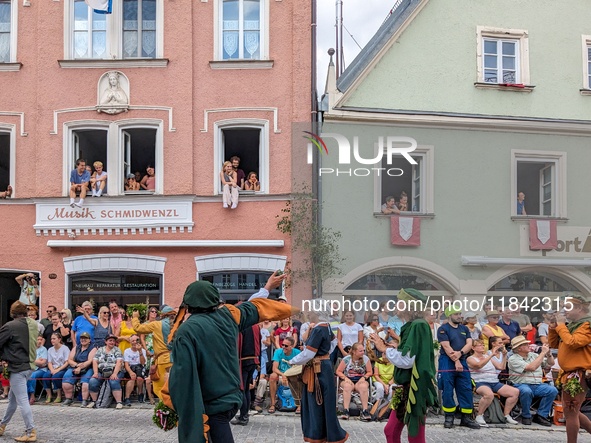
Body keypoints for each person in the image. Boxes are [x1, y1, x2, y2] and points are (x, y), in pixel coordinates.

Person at [165, 271, 292, 443]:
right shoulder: (229, 316)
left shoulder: (187, 330)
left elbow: (183, 378)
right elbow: (254, 307)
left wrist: (175, 402)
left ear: (188, 304)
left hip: (211, 402)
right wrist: (268, 287)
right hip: (231, 397)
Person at [370, 288, 438, 443]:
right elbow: (411, 352)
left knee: (415, 435)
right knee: (390, 430)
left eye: (399, 302)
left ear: (409, 306)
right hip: (404, 388)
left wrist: (383, 348)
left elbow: (408, 361)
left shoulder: (418, 325)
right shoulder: (411, 325)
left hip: (414, 389)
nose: (395, 305)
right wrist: (394, 348)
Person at [286, 309, 349, 442]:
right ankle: (327, 434)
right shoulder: (326, 326)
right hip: (325, 366)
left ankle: (317, 435)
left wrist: (292, 361)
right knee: (325, 402)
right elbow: (333, 344)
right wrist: (325, 354)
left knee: (316, 402)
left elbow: (308, 353)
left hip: (318, 369)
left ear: (318, 312)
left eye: (311, 310)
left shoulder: (319, 329)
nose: (308, 313)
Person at [548, 294, 591, 442]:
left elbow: (573, 342)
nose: (564, 312)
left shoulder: (587, 325)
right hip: (568, 373)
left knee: (571, 412)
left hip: (578, 374)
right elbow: (554, 344)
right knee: (572, 411)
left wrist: (560, 326)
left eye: (567, 308)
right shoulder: (572, 326)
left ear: (579, 308)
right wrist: (554, 326)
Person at [0, 301, 38, 442]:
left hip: (17, 367)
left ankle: (31, 432)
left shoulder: (9, 326)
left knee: (22, 401)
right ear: (26, 313)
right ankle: (2, 425)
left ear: (12, 314)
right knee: (13, 400)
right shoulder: (33, 324)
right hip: (29, 366)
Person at [437, 306, 479, 429]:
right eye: (456, 314)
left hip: (462, 359)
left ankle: (466, 417)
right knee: (448, 389)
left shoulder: (464, 328)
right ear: (449, 315)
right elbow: (446, 346)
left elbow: (469, 344)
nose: (459, 316)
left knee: (466, 388)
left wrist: (460, 354)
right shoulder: (443, 329)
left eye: (460, 313)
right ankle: (449, 416)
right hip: (447, 361)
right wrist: (456, 360)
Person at [467, 339, 519, 426]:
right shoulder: (470, 358)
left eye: (483, 345)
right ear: (473, 348)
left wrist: (504, 355)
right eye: (479, 345)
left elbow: (501, 367)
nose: (482, 346)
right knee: (489, 394)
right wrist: (491, 356)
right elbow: (478, 365)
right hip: (480, 382)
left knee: (514, 392)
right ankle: (479, 415)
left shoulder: (487, 357)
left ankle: (506, 415)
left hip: (494, 381)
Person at [508, 336, 557, 426]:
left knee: (552, 390)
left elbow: (551, 363)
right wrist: (542, 353)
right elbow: (531, 367)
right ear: (519, 348)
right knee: (526, 391)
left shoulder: (534, 355)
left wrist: (549, 353)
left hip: (537, 384)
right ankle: (526, 415)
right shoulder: (513, 359)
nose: (529, 345)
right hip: (520, 384)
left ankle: (541, 416)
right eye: (526, 344)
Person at [131, 305, 177, 399]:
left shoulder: (157, 324)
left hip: (163, 360)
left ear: (162, 315)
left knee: (158, 388)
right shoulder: (179, 325)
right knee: (173, 386)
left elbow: (138, 328)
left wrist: (135, 318)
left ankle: (169, 407)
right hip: (177, 359)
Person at [231, 321, 262, 425]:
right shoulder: (255, 326)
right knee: (247, 389)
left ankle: (243, 416)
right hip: (253, 360)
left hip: (243, 361)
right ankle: (244, 414)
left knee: (243, 389)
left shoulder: (242, 326)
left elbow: (238, 344)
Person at [335, 342, 373, 420]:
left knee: (363, 386)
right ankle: (346, 410)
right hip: (348, 379)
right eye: (360, 351)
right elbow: (338, 371)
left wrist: (364, 377)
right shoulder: (347, 359)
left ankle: (365, 410)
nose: (363, 352)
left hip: (360, 379)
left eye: (363, 350)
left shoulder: (366, 359)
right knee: (347, 386)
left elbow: (370, 372)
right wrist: (345, 378)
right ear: (354, 352)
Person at [88, 334, 125, 409]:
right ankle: (94, 401)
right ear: (105, 341)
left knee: (114, 381)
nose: (112, 342)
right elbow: (95, 361)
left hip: (115, 371)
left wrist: (115, 373)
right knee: (93, 381)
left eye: (113, 341)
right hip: (102, 371)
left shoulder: (117, 350)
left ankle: (119, 402)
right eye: (110, 340)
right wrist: (95, 373)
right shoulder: (100, 350)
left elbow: (119, 362)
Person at [61, 332, 96, 407]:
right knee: (66, 379)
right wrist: (76, 365)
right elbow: (69, 359)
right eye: (82, 338)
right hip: (75, 366)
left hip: (87, 367)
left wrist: (80, 367)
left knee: (85, 382)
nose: (83, 340)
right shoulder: (76, 348)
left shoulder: (93, 348)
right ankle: (68, 398)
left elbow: (90, 361)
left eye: (85, 338)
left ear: (89, 340)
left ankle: (85, 400)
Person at [268, 336, 301, 414]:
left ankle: (299, 404)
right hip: (281, 374)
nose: (283, 347)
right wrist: (283, 375)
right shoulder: (278, 352)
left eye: (286, 346)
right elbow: (274, 368)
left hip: (293, 374)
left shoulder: (297, 353)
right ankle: (273, 403)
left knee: (300, 378)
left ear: (292, 346)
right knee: (272, 376)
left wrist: (289, 375)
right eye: (282, 345)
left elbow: (300, 368)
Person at [139, 306, 158, 405]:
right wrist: (146, 349)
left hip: (156, 349)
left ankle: (157, 394)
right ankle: (150, 396)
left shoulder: (158, 324)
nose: (154, 313)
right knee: (149, 373)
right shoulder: (145, 324)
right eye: (152, 311)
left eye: (155, 312)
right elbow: (142, 338)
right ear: (149, 313)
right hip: (148, 348)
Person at [43, 333, 70, 404]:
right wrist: (52, 370)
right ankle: (49, 395)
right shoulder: (50, 349)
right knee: (45, 376)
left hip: (62, 368)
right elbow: (49, 362)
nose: (52, 340)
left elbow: (67, 362)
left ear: (59, 339)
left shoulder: (65, 348)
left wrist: (57, 370)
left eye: (54, 339)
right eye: (51, 339)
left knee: (56, 377)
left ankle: (59, 395)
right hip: (53, 368)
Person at [123, 335, 147, 407]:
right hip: (130, 367)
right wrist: (130, 372)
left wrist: (140, 351)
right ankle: (127, 397)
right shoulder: (127, 351)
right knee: (132, 378)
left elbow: (142, 363)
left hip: (139, 366)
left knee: (139, 377)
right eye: (133, 341)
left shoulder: (143, 351)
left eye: (136, 340)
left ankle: (140, 394)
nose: (135, 342)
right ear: (130, 342)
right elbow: (126, 364)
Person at [27, 335, 48, 405]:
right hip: (30, 369)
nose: (39, 341)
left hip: (41, 369)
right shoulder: (30, 349)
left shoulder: (43, 349)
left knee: (32, 375)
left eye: (41, 340)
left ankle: (32, 395)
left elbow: (43, 363)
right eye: (38, 339)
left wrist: (32, 361)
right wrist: (36, 361)